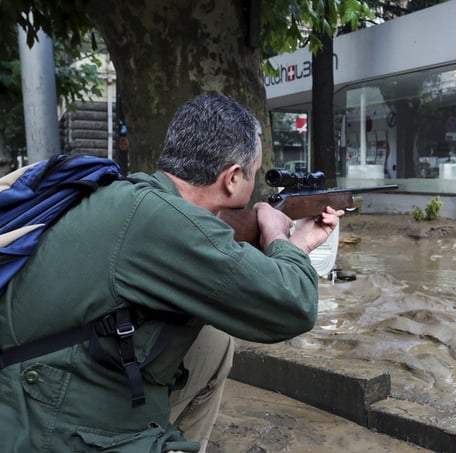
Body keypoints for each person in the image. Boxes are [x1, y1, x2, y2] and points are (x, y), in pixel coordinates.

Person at [0, 93, 343, 452]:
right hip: (41, 417)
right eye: (254, 175)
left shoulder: (134, 196)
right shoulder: (164, 222)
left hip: (43, 380)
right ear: (233, 177)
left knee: (212, 345)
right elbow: (293, 306)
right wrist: (282, 237)